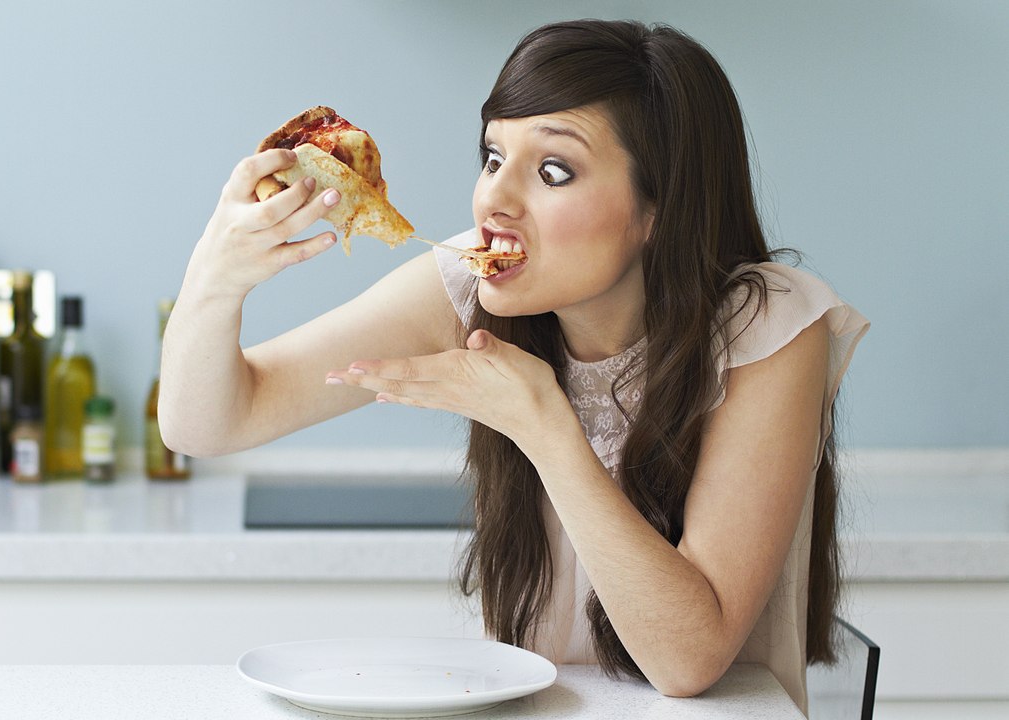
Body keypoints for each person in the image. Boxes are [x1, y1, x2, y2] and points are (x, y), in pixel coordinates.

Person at [159, 19, 868, 714]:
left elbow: (687, 662)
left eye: (552, 171)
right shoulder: (469, 282)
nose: (494, 199)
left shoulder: (765, 324)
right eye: (493, 158)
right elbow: (209, 424)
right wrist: (214, 281)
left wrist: (545, 427)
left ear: (658, 207)